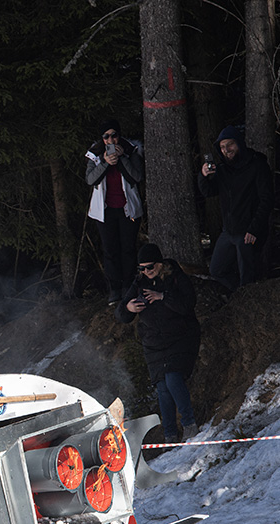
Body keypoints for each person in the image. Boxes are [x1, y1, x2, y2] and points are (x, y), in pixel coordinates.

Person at [115, 243, 201, 442]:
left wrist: (163, 296)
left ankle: (189, 424)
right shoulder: (139, 283)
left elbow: (187, 305)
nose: (146, 271)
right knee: (162, 387)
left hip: (180, 338)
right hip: (153, 344)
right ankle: (170, 433)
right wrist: (128, 307)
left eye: (150, 267)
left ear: (160, 264)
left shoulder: (176, 277)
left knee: (173, 379)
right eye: (142, 268)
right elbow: (120, 314)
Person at [198, 124, 274, 291]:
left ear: (239, 143)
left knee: (248, 276)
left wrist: (254, 229)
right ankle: (239, 297)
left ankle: (249, 301)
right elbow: (208, 191)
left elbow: (267, 200)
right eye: (223, 147)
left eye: (230, 144)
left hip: (248, 231)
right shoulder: (223, 169)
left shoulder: (257, 165)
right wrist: (203, 175)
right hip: (228, 231)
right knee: (216, 270)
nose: (226, 150)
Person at [85, 119, 144, 306]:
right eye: (106, 136)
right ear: (102, 139)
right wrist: (105, 161)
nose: (111, 140)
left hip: (128, 209)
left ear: (119, 135)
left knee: (127, 248)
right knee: (110, 250)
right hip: (105, 211)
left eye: (114, 135)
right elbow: (90, 179)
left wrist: (122, 160)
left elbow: (137, 176)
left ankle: (128, 285)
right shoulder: (94, 153)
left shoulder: (131, 149)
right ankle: (114, 289)